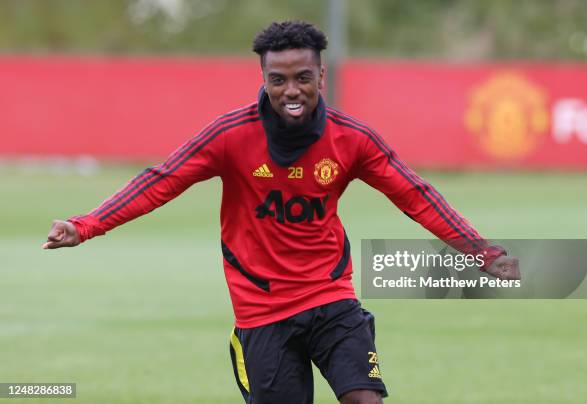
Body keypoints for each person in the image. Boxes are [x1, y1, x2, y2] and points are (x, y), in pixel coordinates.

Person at [43, 20, 520, 404]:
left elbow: (416, 195)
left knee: (364, 398)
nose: (291, 90)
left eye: (302, 78)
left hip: (331, 295)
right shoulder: (230, 135)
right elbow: (162, 180)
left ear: (321, 77)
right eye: (278, 80)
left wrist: (482, 252)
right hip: (261, 311)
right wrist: (86, 226)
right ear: (264, 80)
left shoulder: (352, 139)